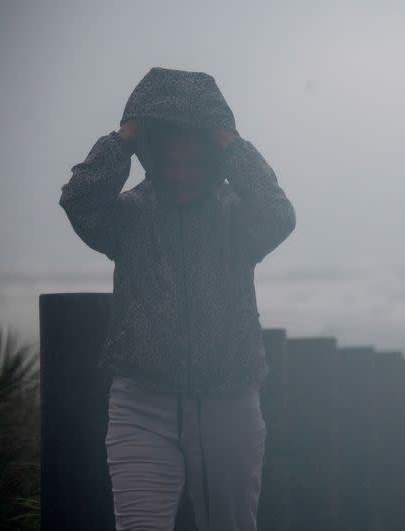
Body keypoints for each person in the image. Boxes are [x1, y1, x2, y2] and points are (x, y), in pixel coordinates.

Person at [60, 67, 296, 531]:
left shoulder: (238, 219)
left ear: (214, 160)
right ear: (152, 157)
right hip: (141, 404)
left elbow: (278, 214)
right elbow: (79, 198)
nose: (183, 175)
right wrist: (125, 136)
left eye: (195, 163)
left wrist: (232, 142)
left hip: (229, 402)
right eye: (172, 163)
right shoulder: (128, 217)